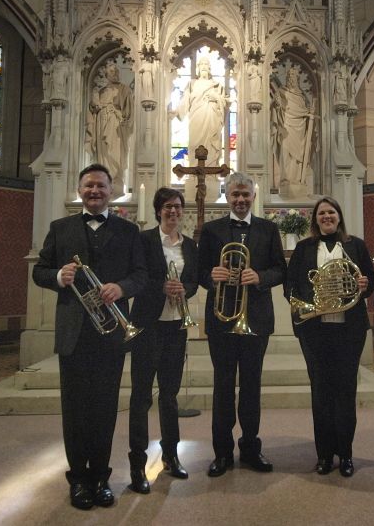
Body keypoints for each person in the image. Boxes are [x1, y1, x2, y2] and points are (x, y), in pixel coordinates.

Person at [32, 164, 147, 510]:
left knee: (105, 407)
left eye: (101, 186)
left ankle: (100, 476)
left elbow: (141, 275)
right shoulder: (60, 227)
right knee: (75, 408)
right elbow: (39, 270)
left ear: (111, 191)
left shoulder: (128, 231)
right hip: (75, 333)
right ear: (80, 190)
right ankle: (78, 478)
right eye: (89, 186)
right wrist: (58, 276)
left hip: (111, 332)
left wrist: (120, 287)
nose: (94, 191)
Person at [198, 171, 285, 476]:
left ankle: (251, 448)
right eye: (235, 194)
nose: (240, 200)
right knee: (223, 387)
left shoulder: (268, 228)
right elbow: (199, 272)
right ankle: (222, 453)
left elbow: (280, 269)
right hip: (222, 321)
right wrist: (212, 276)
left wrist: (260, 277)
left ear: (253, 197)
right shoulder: (210, 230)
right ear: (227, 196)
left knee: (251, 387)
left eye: (245, 195)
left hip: (255, 320)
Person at [284, 197, 374, 477]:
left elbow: (370, 281)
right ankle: (324, 455)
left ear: (339, 216)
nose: (327, 216)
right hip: (315, 330)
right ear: (315, 218)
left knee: (346, 392)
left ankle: (345, 455)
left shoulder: (355, 245)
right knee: (321, 393)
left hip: (349, 330)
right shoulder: (303, 248)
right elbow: (291, 286)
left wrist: (363, 284)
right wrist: (310, 304)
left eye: (331, 212)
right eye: (322, 213)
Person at [127, 187, 198, 492]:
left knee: (169, 395)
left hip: (175, 327)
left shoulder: (190, 245)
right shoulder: (143, 240)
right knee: (141, 396)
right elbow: (136, 278)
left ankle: (170, 455)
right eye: (168, 207)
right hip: (147, 326)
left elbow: (193, 280)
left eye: (178, 207)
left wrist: (185, 289)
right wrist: (162, 288)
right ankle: (137, 464)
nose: (173, 211)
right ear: (158, 211)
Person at [86, 63, 133, 194]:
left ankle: (115, 180)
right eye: (111, 72)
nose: (115, 74)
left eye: (116, 71)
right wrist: (95, 104)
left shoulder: (124, 89)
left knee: (115, 152)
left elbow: (128, 112)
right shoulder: (100, 91)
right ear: (106, 75)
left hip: (115, 126)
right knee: (103, 152)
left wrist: (118, 114)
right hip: (101, 124)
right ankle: (103, 180)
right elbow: (93, 109)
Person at [174, 56, 226, 169]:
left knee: (210, 146)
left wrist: (216, 97)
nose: (204, 66)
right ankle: (194, 169)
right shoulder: (192, 84)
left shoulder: (216, 85)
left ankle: (211, 168)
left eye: (206, 64)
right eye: (201, 64)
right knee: (194, 144)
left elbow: (224, 102)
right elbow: (185, 100)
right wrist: (177, 111)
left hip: (211, 118)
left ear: (209, 68)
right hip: (196, 118)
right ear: (198, 68)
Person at [271, 66, 318, 187]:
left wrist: (309, 111)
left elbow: (304, 111)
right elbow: (276, 109)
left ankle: (297, 180)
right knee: (285, 151)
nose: (292, 78)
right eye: (290, 76)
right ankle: (285, 179)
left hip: (299, 128)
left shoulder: (301, 96)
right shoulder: (281, 92)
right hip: (286, 126)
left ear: (297, 79)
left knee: (299, 156)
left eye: (294, 76)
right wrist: (277, 105)